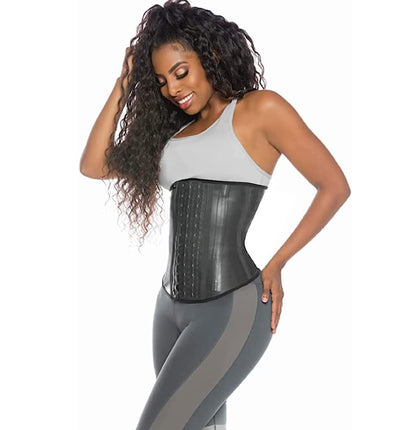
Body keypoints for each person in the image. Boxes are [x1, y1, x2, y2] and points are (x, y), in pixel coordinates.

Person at [79, 0, 351, 428]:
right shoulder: (171, 136)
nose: (172, 88)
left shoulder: (259, 110)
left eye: (181, 72)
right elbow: (93, 165)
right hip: (168, 310)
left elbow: (334, 186)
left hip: (231, 307)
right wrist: (124, 82)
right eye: (161, 80)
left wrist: (278, 263)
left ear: (212, 56)